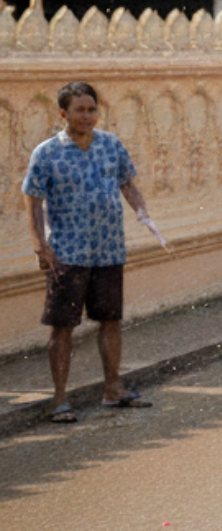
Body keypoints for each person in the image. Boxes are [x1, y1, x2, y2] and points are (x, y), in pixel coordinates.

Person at [22, 81, 161, 422]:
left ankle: (113, 389)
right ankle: (59, 401)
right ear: (63, 113)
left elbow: (128, 182)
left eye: (92, 109)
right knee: (62, 327)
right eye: (80, 110)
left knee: (110, 322)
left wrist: (141, 210)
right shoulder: (47, 152)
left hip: (109, 250)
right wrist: (40, 244)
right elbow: (33, 199)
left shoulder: (111, 145)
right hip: (67, 254)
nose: (87, 116)